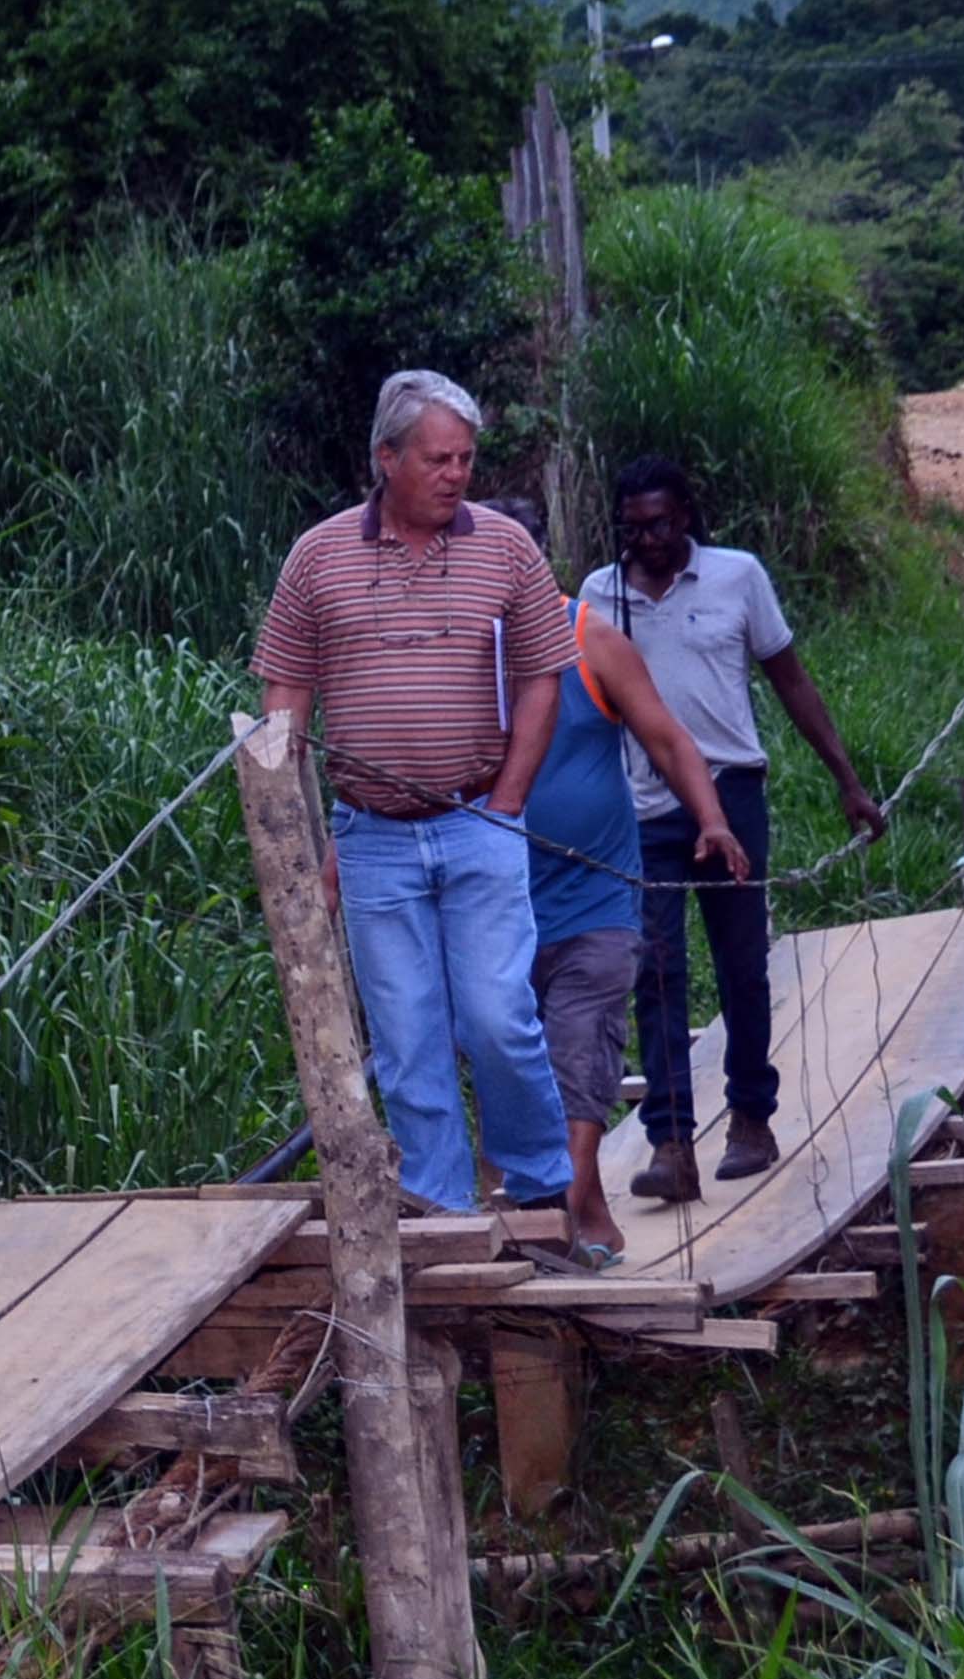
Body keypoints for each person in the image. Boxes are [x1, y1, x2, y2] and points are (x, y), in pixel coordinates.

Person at [250, 371, 579, 1216]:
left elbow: (545, 673)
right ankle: (444, 1214)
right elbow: (285, 695)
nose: (456, 473)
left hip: (479, 822)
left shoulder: (505, 545)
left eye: (466, 458)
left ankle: (539, 1188)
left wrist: (508, 800)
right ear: (385, 457)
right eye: (438, 458)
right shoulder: (318, 556)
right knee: (407, 1040)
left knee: (501, 1019)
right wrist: (301, 838)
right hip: (372, 839)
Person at [579, 456, 888, 1203]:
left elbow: (790, 680)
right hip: (641, 807)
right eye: (632, 528)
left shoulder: (737, 576)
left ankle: (752, 1116)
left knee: (741, 964)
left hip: (730, 791)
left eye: (659, 524)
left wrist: (846, 780)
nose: (646, 540)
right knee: (655, 972)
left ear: (685, 515)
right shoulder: (600, 594)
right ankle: (671, 1141)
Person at [475, 499, 751, 1262]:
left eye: (516, 558)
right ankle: (584, 1208)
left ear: (539, 561)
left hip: (595, 903)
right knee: (504, 1056)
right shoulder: (457, 652)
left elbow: (666, 735)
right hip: (492, 906)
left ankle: (559, 1210)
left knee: (580, 1055)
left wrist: (712, 819)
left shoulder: (591, 638)